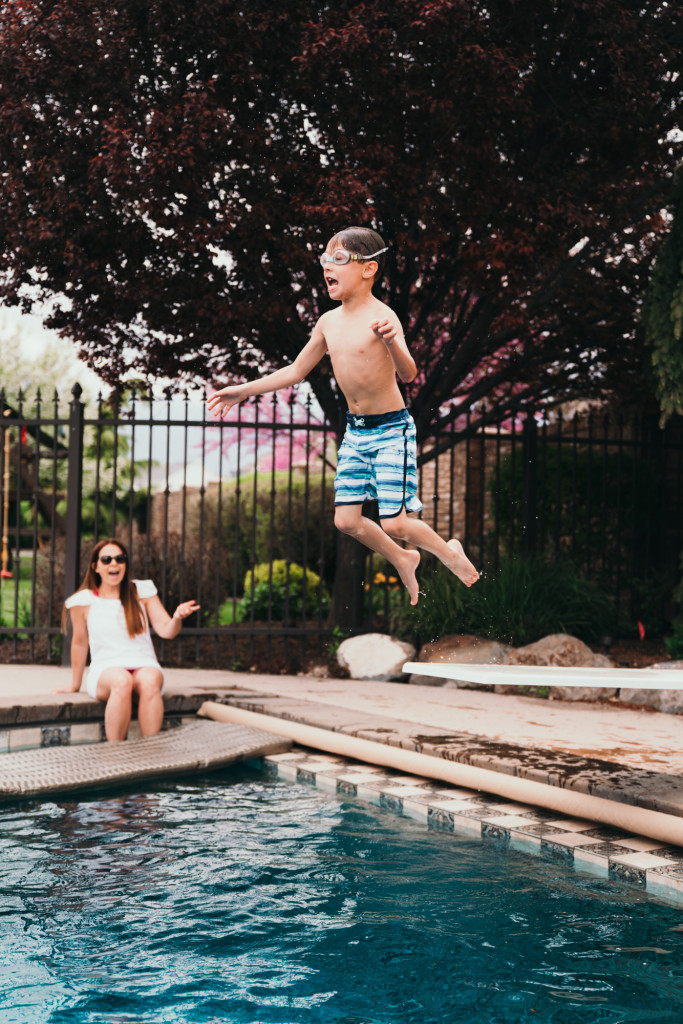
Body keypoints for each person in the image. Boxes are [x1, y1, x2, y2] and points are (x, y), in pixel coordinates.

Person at [207, 226, 479, 605]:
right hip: (356, 433)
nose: (326, 268)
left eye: (338, 260)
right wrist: (243, 390)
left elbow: (409, 374)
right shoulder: (328, 323)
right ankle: (403, 557)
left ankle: (450, 553)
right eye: (324, 260)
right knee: (346, 521)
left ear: (368, 269)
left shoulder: (384, 317)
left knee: (397, 522)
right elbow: (295, 371)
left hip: (390, 430)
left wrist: (391, 342)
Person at [55, 538, 200, 742]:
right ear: (95, 567)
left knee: (150, 681)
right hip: (106, 669)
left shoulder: (142, 592)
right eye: (106, 559)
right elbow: (80, 643)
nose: (114, 564)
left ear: (125, 564)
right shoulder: (83, 601)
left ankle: (150, 753)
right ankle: (115, 754)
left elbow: (167, 631)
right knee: (122, 680)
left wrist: (176, 617)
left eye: (119, 559)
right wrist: (74, 684)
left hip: (144, 664)